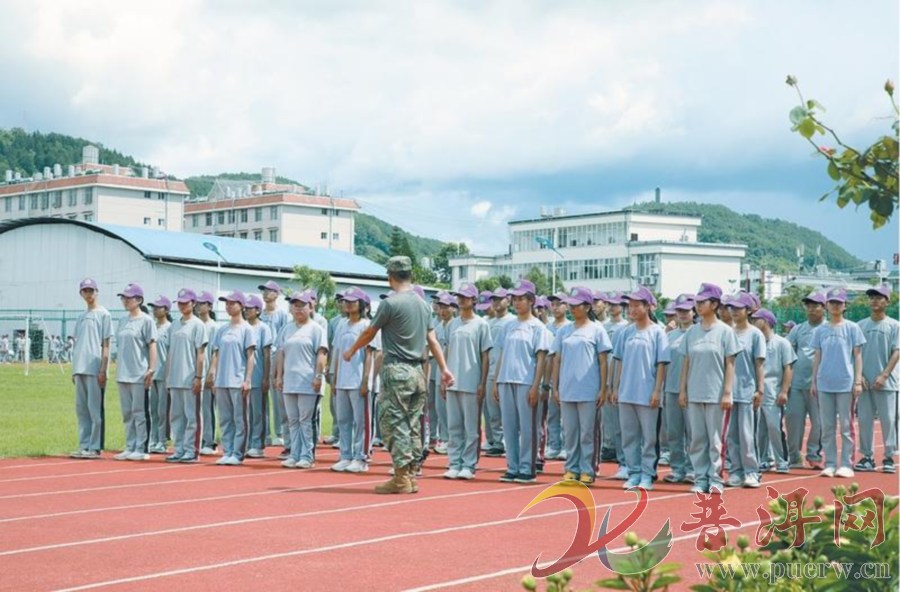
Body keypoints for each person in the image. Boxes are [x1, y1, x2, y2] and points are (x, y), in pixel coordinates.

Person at [342, 256, 454, 494]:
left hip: (397, 370)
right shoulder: (423, 305)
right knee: (413, 425)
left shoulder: (390, 304)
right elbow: (432, 340)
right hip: (417, 371)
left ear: (390, 277)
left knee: (394, 423)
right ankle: (411, 476)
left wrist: (352, 350)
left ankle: (401, 477)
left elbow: (370, 332)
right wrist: (444, 368)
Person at [679, 283, 740, 494]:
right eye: (696, 302)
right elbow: (686, 362)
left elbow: (730, 363)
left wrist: (727, 392)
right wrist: (683, 390)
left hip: (716, 394)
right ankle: (700, 478)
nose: (697, 306)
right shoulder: (692, 332)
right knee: (697, 439)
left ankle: (715, 479)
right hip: (694, 392)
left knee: (715, 440)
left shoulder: (725, 332)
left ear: (714, 304)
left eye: (702, 302)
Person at [550, 287, 611, 484]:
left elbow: (603, 361)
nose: (572, 309)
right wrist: (555, 386)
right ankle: (571, 467)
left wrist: (603, 388)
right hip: (567, 389)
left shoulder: (597, 329)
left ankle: (588, 469)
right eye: (571, 305)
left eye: (577, 305)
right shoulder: (564, 331)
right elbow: (557, 359)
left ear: (587, 307)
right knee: (570, 432)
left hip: (589, 389)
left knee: (587, 433)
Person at [494, 279, 551, 484]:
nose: (517, 303)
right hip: (506, 379)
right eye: (515, 299)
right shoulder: (508, 326)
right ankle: (513, 466)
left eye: (521, 299)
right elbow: (502, 354)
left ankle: (527, 467)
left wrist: (537, 385)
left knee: (528, 426)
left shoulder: (538, 327)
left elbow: (542, 358)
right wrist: (496, 381)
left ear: (531, 301)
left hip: (526, 381)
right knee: (509, 426)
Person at [612, 287, 670, 490]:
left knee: (649, 437)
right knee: (629, 436)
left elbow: (661, 363)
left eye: (637, 305)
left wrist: (657, 390)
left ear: (647, 307)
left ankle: (647, 474)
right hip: (627, 392)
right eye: (630, 305)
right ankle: (634, 472)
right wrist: (615, 387)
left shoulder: (657, 332)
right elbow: (618, 361)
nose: (632, 309)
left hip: (647, 393)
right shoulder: (625, 332)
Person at [811, 288, 865, 478]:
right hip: (824, 383)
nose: (835, 306)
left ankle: (846, 463)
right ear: (826, 305)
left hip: (845, 383)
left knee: (845, 424)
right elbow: (817, 356)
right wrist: (814, 381)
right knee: (826, 426)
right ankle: (830, 462)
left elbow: (857, 355)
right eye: (832, 302)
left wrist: (857, 381)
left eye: (839, 303)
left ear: (844, 306)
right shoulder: (820, 330)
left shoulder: (852, 328)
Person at [442, 283, 493, 480]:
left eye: (465, 297)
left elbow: (485, 355)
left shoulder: (481, 324)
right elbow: (446, 351)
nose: (461, 300)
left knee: (471, 427)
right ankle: (454, 462)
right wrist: (443, 377)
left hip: (471, 381)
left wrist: (482, 382)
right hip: (453, 381)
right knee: (454, 425)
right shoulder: (452, 324)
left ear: (474, 300)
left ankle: (469, 464)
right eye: (459, 296)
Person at [275, 290, 328, 469]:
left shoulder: (316, 329)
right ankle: (294, 453)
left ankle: (307, 455)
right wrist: (278, 376)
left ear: (310, 307)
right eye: (294, 305)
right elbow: (281, 353)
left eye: (302, 305)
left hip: (308, 381)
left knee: (306, 419)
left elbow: (321, 354)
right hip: (290, 381)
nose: (298, 309)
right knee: (292, 419)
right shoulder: (286, 329)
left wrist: (318, 376)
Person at [331, 287, 377, 473]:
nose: (347, 304)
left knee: (361, 421)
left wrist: (367, 380)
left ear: (362, 304)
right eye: (345, 301)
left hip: (358, 380)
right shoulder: (341, 324)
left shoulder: (367, 326)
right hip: (342, 380)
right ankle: (345, 455)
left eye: (352, 301)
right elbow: (336, 352)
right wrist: (333, 377)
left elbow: (369, 355)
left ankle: (361, 457)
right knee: (343, 419)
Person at [208, 291, 256, 465]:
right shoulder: (222, 329)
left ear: (241, 306)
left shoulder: (247, 329)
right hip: (222, 381)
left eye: (232, 303)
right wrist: (212, 373)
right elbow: (216, 353)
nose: (228, 306)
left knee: (239, 418)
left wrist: (248, 379)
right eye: (226, 303)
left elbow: (250, 356)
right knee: (225, 419)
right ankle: (227, 450)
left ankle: (238, 453)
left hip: (237, 380)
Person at [724, 292, 765, 488]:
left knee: (747, 434)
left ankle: (751, 471)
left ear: (748, 310)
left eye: (739, 308)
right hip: (728, 393)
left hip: (747, 390)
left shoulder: (755, 334)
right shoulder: (726, 332)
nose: (734, 312)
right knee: (731, 435)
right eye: (731, 308)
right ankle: (735, 471)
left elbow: (759, 364)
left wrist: (760, 389)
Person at [855, 284, 898, 474]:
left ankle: (889, 456)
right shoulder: (860, 326)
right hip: (865, 382)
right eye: (872, 297)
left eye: (879, 297)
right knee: (864, 420)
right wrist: (860, 376)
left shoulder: (894, 325)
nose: (874, 300)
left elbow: (897, 353)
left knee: (889, 420)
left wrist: (884, 375)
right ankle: (867, 456)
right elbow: (855, 353)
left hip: (886, 382)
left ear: (887, 301)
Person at [112, 283, 158, 461]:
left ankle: (141, 447)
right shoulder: (122, 321)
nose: (125, 301)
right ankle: (130, 445)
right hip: (123, 373)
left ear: (138, 300)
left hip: (139, 373)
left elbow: (152, 345)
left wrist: (151, 369)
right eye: (123, 297)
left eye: (128, 297)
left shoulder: (146, 320)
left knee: (139, 412)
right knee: (127, 413)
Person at [70, 278, 112, 459]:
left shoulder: (104, 314)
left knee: (95, 410)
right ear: (81, 293)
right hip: (80, 368)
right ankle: (84, 444)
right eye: (85, 291)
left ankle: (95, 446)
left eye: (91, 290)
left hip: (95, 368)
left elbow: (106, 344)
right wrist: (74, 369)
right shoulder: (80, 317)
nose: (88, 294)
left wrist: (103, 369)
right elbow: (78, 344)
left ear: (97, 292)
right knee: (82, 410)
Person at [165, 288, 207, 463]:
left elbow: (201, 354)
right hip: (175, 378)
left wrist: (198, 377)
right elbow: (169, 353)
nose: (182, 306)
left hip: (190, 378)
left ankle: (191, 449)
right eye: (180, 303)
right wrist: (168, 377)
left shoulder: (198, 325)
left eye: (185, 302)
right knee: (176, 416)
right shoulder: (174, 325)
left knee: (191, 416)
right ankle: (179, 448)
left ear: (193, 304)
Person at [751, 308, 795, 474]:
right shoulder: (756, 342)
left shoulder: (782, 343)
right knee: (759, 429)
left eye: (757, 319)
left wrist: (784, 391)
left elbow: (788, 367)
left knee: (774, 427)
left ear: (767, 322)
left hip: (773, 392)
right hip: (757, 391)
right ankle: (764, 459)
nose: (754, 322)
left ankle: (782, 460)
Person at [785, 291, 826, 469]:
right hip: (797, 384)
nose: (811, 308)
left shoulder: (828, 329)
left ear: (824, 308)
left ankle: (813, 453)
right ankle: (794, 456)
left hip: (820, 386)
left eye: (815, 305)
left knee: (819, 422)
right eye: (808, 305)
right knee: (793, 422)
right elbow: (787, 353)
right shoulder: (798, 329)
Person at [663, 294, 696, 484]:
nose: (682, 314)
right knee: (674, 433)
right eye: (679, 311)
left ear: (694, 312)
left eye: (686, 310)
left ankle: (693, 469)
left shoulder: (698, 333)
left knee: (693, 433)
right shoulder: (669, 336)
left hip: (693, 391)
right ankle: (677, 469)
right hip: (671, 389)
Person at [259, 280, 290, 450]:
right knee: (261, 397)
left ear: (277, 294)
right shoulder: (260, 314)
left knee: (277, 397)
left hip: (275, 356)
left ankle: (278, 433)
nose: (265, 293)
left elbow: (283, 340)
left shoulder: (282, 315)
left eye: (269, 290)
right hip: (260, 357)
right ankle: (264, 432)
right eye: (264, 290)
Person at [602, 292, 629, 478]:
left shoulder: (627, 328)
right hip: (609, 379)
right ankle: (621, 460)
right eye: (610, 304)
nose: (613, 307)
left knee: (626, 425)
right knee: (612, 424)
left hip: (625, 381)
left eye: (616, 304)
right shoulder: (602, 327)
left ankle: (630, 461)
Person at [483, 288, 513, 457]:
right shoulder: (488, 323)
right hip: (491, 370)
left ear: (507, 301)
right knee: (492, 411)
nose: (496, 302)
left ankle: (509, 441)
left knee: (508, 411)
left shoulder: (512, 321)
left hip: (507, 372)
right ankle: (497, 441)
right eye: (494, 299)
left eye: (500, 299)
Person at [244, 294, 273, 458]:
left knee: (258, 412)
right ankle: (247, 442)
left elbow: (267, 354)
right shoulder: (242, 327)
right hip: (242, 378)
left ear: (258, 310)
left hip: (258, 375)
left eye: (250, 308)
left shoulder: (263, 328)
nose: (247, 311)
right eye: (245, 308)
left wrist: (265, 377)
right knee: (245, 413)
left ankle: (258, 443)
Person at [543, 293, 571, 461]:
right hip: (551, 376)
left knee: (566, 416)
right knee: (552, 414)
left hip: (566, 376)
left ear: (566, 306)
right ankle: (554, 445)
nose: (555, 307)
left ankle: (567, 446)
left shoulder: (569, 327)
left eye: (559, 304)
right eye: (553, 304)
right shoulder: (547, 328)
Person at [429, 293, 456, 455]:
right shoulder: (437, 328)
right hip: (439, 371)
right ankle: (445, 438)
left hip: (452, 372)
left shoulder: (456, 326)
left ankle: (453, 439)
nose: (443, 310)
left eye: (446, 307)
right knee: (440, 407)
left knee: (451, 409)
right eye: (441, 307)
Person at [195, 291, 220, 456]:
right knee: (195, 409)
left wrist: (212, 371)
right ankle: (198, 438)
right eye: (196, 303)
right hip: (196, 372)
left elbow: (215, 352)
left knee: (207, 407)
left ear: (209, 306)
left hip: (208, 373)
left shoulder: (214, 327)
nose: (198, 305)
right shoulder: (195, 324)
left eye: (201, 303)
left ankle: (209, 441)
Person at [148, 296, 172, 454]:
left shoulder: (170, 328)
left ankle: (162, 440)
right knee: (153, 410)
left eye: (159, 307)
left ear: (166, 309)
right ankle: (154, 439)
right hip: (152, 374)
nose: (155, 310)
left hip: (164, 374)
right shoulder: (152, 326)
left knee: (163, 410)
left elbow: (171, 353)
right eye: (154, 307)